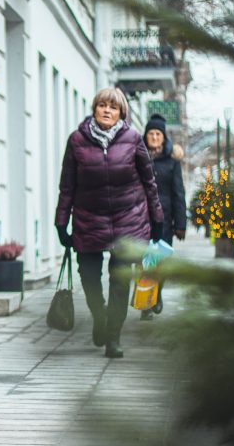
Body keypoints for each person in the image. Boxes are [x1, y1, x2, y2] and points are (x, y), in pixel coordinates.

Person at [55, 88, 164, 358]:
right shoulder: (77, 140)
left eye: (113, 107)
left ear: (121, 113)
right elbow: (67, 186)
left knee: (120, 280)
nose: (107, 111)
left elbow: (149, 183)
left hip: (128, 220)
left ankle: (113, 336)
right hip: (89, 220)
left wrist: (157, 219)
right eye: (102, 105)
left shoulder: (133, 138)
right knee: (90, 277)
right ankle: (99, 316)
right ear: (94, 109)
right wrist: (61, 222)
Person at [142, 113, 186, 320]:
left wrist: (181, 224)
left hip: (165, 220)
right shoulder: (138, 156)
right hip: (141, 219)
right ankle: (145, 303)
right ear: (146, 135)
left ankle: (156, 293)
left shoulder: (172, 161)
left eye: (158, 133)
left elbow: (179, 192)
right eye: (151, 133)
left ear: (163, 136)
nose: (154, 137)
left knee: (161, 262)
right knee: (144, 262)